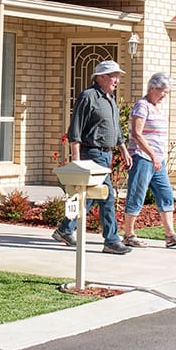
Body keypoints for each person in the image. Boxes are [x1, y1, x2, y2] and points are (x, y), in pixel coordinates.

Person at [55, 59, 132, 254]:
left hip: (106, 155)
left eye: (118, 76)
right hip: (92, 154)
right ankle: (111, 240)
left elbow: (115, 130)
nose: (117, 80)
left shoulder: (110, 98)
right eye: (114, 76)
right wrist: (76, 160)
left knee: (88, 197)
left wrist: (123, 150)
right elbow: (75, 129)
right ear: (102, 77)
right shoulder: (88, 97)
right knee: (107, 196)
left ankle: (65, 229)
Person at [121, 72, 176, 248]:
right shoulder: (141, 106)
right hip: (142, 158)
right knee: (137, 195)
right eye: (162, 92)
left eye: (167, 93)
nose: (164, 96)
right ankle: (128, 235)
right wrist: (152, 155)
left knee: (165, 194)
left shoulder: (156, 107)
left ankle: (170, 235)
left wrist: (157, 157)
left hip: (157, 160)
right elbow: (136, 134)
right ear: (152, 88)